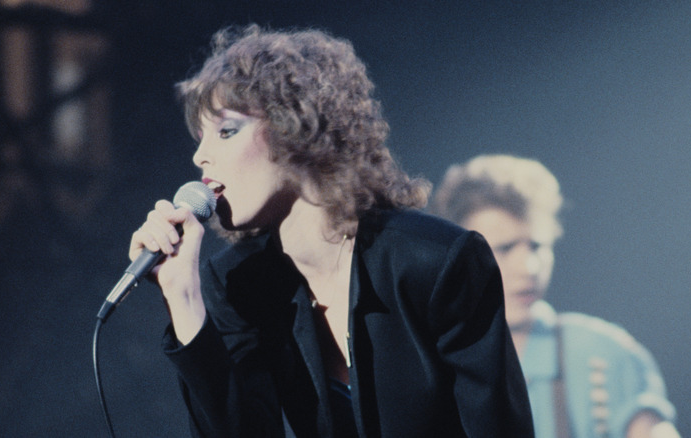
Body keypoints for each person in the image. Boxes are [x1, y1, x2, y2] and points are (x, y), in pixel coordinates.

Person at [129, 25, 534, 437]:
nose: (200, 156)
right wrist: (183, 297)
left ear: (296, 126)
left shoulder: (435, 262)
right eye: (199, 138)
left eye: (227, 131)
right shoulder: (237, 283)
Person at [431, 154, 680, 438]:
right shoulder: (428, 362)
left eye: (537, 247)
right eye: (505, 248)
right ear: (457, 260)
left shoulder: (605, 352)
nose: (529, 268)